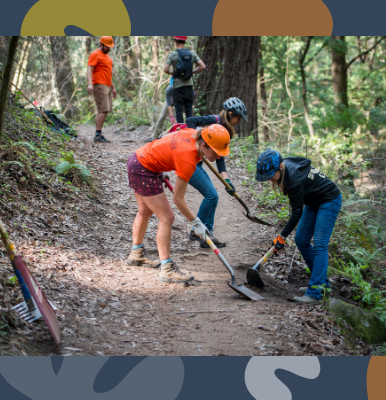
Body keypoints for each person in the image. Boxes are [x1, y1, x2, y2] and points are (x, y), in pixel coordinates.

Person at [125, 124, 232, 284]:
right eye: (216, 152)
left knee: (145, 211)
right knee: (167, 218)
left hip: (138, 159)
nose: (218, 157)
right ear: (204, 145)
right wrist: (196, 223)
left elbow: (167, 139)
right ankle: (167, 270)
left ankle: (136, 254)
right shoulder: (187, 159)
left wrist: (160, 164)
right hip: (143, 169)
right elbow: (178, 199)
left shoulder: (194, 133)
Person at [254, 150, 343, 303]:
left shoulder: (294, 178)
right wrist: (283, 236)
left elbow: (297, 213)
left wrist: (282, 237)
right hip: (313, 201)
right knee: (301, 240)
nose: (269, 180)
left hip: (329, 200)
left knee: (320, 245)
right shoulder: (285, 169)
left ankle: (315, 292)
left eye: (270, 176)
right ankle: (321, 283)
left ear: (280, 167)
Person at [168, 97, 250, 248]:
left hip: (197, 161)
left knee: (213, 196)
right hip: (188, 159)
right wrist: (196, 139)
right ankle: (196, 231)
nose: (239, 121)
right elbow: (191, 120)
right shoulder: (214, 121)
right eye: (238, 118)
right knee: (211, 195)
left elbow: (220, 158)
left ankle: (208, 234)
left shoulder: (225, 132)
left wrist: (227, 181)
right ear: (231, 114)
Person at [164, 36, 206, 124]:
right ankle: (190, 129)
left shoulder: (173, 54)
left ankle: (180, 129)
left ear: (176, 41)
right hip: (189, 86)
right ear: (185, 41)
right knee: (189, 110)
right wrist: (192, 72)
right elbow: (202, 66)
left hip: (178, 87)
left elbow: (166, 69)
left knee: (178, 111)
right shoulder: (191, 53)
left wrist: (173, 73)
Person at [87, 36, 116, 144]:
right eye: (107, 46)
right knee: (104, 110)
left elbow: (108, 73)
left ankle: (98, 134)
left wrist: (113, 87)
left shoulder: (107, 57)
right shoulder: (95, 54)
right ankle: (98, 134)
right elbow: (89, 69)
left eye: (110, 46)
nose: (108, 48)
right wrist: (90, 84)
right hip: (99, 84)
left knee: (102, 110)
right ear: (101, 44)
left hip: (107, 85)